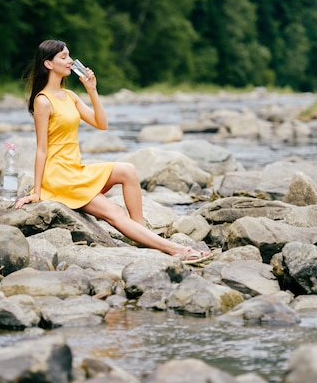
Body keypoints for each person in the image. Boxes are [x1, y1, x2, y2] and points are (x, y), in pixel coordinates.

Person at [14, 39, 210, 264]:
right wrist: (37, 191)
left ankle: (140, 233)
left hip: (75, 169)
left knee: (127, 170)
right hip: (60, 177)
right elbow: (41, 149)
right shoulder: (43, 101)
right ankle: (177, 250)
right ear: (48, 64)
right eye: (64, 57)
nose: (70, 61)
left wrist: (92, 90)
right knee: (115, 213)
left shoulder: (70, 96)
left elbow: (101, 123)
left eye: (69, 55)